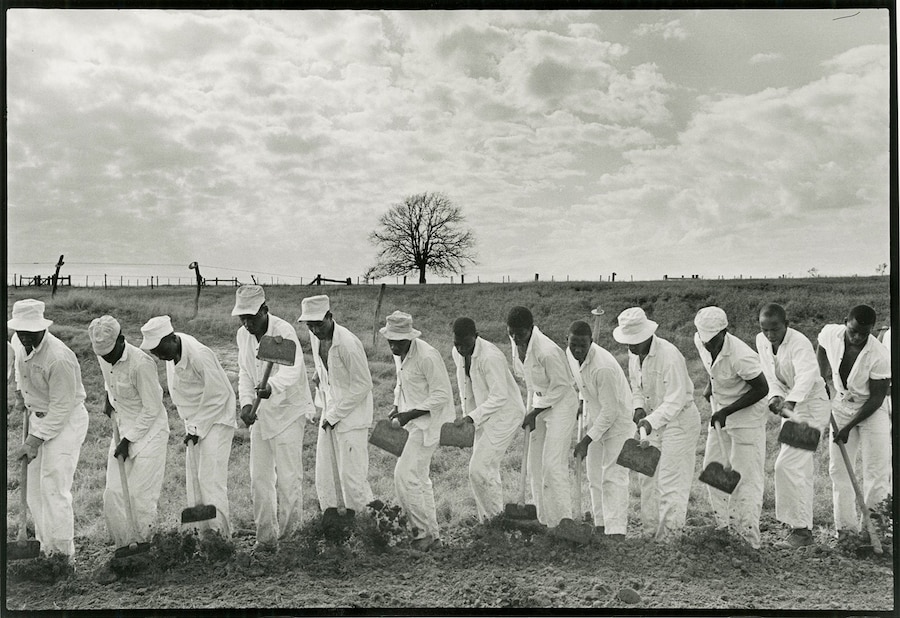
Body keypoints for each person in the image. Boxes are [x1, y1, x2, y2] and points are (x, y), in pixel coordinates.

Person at [233, 285, 316, 552]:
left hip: (288, 412)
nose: (247, 323)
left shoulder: (283, 332)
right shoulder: (242, 336)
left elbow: (293, 371)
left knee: (289, 478)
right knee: (260, 478)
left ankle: (291, 540)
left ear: (264, 310)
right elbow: (245, 372)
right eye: (242, 318)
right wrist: (246, 403)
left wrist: (272, 386)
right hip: (262, 415)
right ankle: (265, 538)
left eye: (252, 318)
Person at [140, 315, 237, 538]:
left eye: (158, 349)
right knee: (195, 480)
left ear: (172, 339)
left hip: (216, 419)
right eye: (153, 351)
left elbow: (219, 395)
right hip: (194, 422)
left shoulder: (199, 355)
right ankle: (203, 535)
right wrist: (191, 427)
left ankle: (221, 538)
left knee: (211, 479)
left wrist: (197, 428)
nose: (157, 355)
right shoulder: (171, 353)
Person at [9, 299, 89, 566]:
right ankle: (45, 549)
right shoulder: (19, 341)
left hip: (65, 421)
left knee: (54, 488)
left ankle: (63, 558)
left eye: (30, 331)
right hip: (37, 417)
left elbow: (61, 408)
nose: (24, 336)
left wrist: (34, 440)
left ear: (42, 328)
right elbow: (20, 370)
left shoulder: (60, 357)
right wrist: (20, 393)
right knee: (34, 490)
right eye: (20, 331)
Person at [613, 307, 701, 541]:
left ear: (646, 335)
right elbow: (637, 388)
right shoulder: (634, 356)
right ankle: (650, 534)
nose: (630, 346)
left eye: (634, 341)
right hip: (651, 423)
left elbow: (676, 400)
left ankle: (669, 540)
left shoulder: (669, 356)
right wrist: (638, 406)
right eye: (627, 341)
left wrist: (650, 421)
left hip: (679, 422)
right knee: (648, 480)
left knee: (671, 481)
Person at [88, 314, 169, 550]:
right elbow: (109, 380)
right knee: (113, 493)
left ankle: (142, 546)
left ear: (121, 340)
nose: (106, 358)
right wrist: (107, 398)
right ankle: (124, 547)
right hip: (122, 427)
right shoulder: (104, 355)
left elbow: (153, 407)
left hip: (150, 432)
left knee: (139, 496)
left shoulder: (141, 364)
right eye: (101, 354)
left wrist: (129, 440)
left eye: (109, 354)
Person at [693, 307, 769, 549]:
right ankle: (724, 529)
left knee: (745, 478)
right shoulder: (701, 340)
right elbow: (713, 369)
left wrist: (727, 411)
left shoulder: (741, 355)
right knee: (713, 469)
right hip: (722, 412)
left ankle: (747, 540)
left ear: (724, 332)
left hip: (747, 417)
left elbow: (761, 389)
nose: (708, 346)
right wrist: (710, 386)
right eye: (704, 341)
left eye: (713, 341)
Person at [756, 302, 831, 549]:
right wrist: (775, 396)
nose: (770, 334)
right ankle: (799, 529)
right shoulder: (761, 341)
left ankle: (801, 532)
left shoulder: (799, 343)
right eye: (765, 329)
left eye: (775, 328)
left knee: (788, 465)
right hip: (792, 407)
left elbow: (808, 376)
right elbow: (770, 375)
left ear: (786, 324)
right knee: (795, 467)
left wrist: (789, 401)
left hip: (811, 406)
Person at [816, 304, 891, 540]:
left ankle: (874, 533)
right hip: (841, 405)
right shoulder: (831, 333)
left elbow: (878, 398)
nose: (857, 337)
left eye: (864, 333)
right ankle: (845, 532)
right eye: (853, 331)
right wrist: (821, 377)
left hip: (871, 409)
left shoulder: (880, 355)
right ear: (845, 322)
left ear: (871, 330)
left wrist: (848, 427)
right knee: (838, 470)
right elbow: (821, 345)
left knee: (876, 471)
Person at [380, 311, 454, 549]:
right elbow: (402, 382)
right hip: (411, 423)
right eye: (390, 340)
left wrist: (411, 413)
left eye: (398, 341)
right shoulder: (400, 353)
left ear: (409, 337)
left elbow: (442, 394)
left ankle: (421, 535)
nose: (393, 345)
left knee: (404, 475)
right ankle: (433, 536)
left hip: (428, 425)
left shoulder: (427, 356)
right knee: (420, 480)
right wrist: (396, 407)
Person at [298, 294, 374, 515]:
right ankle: (337, 522)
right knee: (327, 472)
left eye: (318, 325)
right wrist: (319, 375)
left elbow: (363, 385)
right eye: (310, 326)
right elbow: (328, 367)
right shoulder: (315, 337)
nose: (314, 330)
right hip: (331, 409)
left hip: (352, 417)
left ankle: (366, 525)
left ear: (330, 317)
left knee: (352, 477)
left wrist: (334, 415)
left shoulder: (348, 344)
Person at [506, 306, 578, 528]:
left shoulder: (547, 351)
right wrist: (535, 406)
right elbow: (526, 377)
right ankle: (543, 521)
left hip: (561, 404)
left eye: (521, 333)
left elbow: (562, 386)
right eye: (512, 333)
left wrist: (535, 412)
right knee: (534, 465)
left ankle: (563, 522)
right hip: (539, 400)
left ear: (530, 328)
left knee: (552, 465)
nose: (516, 338)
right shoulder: (516, 343)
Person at [450, 317, 525, 522]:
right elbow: (466, 388)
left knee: (479, 469)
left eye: (465, 344)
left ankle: (495, 522)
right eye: (457, 344)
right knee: (485, 470)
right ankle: (489, 522)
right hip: (482, 415)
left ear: (476, 336)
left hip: (505, 414)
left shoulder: (489, 357)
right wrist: (468, 420)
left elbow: (499, 396)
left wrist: (472, 418)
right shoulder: (457, 353)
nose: (461, 349)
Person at [567, 320, 635, 539]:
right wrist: (581, 401)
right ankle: (600, 525)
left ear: (591, 342)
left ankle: (616, 533)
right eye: (573, 344)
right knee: (594, 475)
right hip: (597, 418)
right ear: (566, 340)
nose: (577, 349)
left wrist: (586, 440)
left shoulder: (602, 367)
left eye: (582, 345)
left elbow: (611, 412)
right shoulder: (571, 356)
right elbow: (583, 384)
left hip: (619, 422)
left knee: (613, 476)